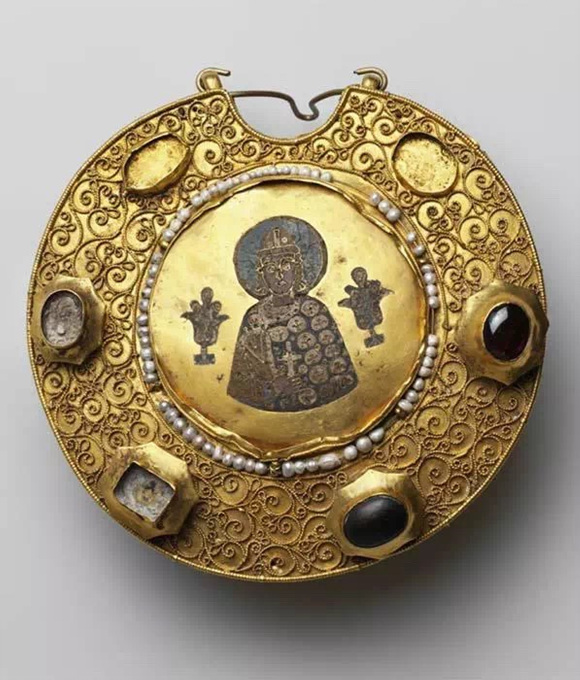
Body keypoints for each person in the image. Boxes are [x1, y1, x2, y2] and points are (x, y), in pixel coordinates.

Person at [227, 219, 357, 412]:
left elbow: (341, 376)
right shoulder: (254, 318)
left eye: (286, 265)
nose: (279, 275)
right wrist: (273, 389)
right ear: (261, 275)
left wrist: (307, 384)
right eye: (271, 268)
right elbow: (241, 387)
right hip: (267, 421)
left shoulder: (314, 312)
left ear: (297, 269)